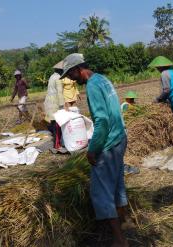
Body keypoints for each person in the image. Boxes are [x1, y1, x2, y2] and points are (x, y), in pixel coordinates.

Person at [61, 53, 129, 247]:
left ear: (77, 69)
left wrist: (93, 149)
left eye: (70, 74)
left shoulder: (91, 85)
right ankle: (124, 224)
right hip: (120, 138)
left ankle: (120, 240)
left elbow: (102, 121)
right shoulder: (102, 79)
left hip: (108, 144)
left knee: (101, 193)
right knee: (117, 184)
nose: (70, 78)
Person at [44, 62, 65, 152]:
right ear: (60, 70)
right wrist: (62, 106)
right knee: (57, 125)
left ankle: (57, 142)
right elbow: (60, 93)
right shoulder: (58, 78)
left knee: (54, 124)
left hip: (49, 102)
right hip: (55, 103)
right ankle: (57, 145)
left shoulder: (52, 76)